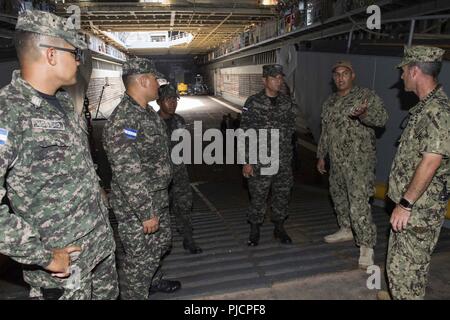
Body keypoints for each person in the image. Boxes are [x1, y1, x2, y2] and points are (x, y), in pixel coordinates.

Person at [0, 10, 118, 300]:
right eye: (74, 52)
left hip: (100, 249)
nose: (78, 60)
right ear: (51, 54)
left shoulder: (65, 104)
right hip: (64, 269)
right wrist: (43, 256)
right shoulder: (9, 112)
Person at [102, 57, 181, 299]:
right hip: (138, 205)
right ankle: (136, 293)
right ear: (143, 80)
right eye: (156, 79)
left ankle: (153, 281)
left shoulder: (146, 112)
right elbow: (127, 170)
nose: (158, 84)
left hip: (157, 196)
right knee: (140, 261)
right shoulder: (124, 119)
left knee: (161, 244)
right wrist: (146, 212)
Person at [380, 46, 449, 300]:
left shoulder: (437, 111)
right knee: (399, 273)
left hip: (417, 212)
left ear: (415, 71)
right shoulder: (424, 108)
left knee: (408, 277)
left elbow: (431, 161)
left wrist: (406, 204)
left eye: (404, 72)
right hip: (411, 211)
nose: (401, 77)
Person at [316, 60, 388, 268]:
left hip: (359, 162)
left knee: (358, 203)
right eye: (336, 74)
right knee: (338, 196)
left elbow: (382, 119)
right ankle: (346, 229)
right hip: (337, 161)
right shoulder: (329, 102)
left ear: (352, 75)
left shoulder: (366, 95)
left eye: (344, 73)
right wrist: (321, 155)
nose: (340, 78)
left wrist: (364, 115)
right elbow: (326, 131)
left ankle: (366, 246)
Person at [240, 64, 296, 246]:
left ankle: (279, 228)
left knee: (282, 194)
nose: (278, 81)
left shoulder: (287, 102)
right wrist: (246, 161)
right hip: (260, 160)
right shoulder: (253, 102)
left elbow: (291, 130)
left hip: (283, 159)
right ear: (264, 80)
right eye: (274, 78)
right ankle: (254, 229)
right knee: (258, 195)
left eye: (280, 78)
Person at [157, 84, 202, 254]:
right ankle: (160, 247)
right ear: (159, 101)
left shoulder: (179, 121)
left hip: (179, 174)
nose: (172, 103)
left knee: (184, 206)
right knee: (160, 211)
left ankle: (188, 239)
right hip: (159, 176)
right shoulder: (151, 122)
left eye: (174, 99)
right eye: (168, 99)